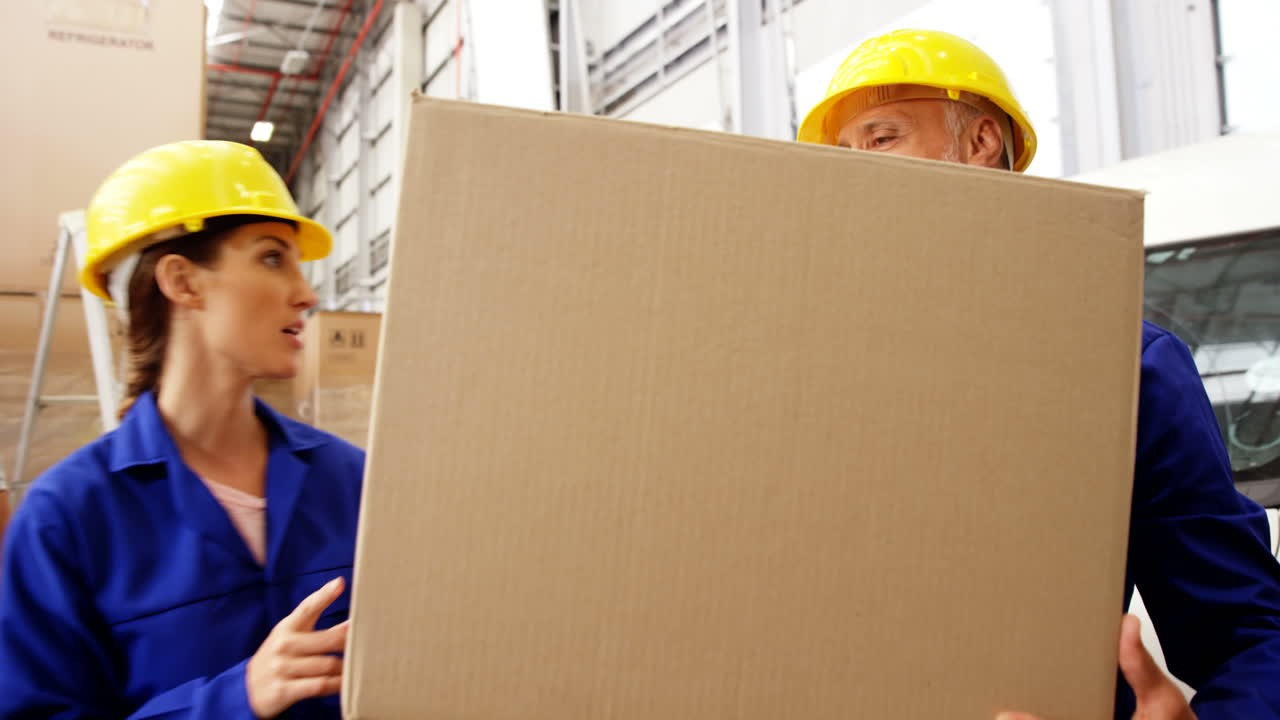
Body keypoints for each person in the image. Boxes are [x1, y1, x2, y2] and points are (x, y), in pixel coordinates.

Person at [797, 29, 1280, 720]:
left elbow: (1247, 634)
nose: (857, 172)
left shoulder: (1122, 370)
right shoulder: (807, 365)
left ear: (981, 141)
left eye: (881, 138)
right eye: (842, 155)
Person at [0, 141, 364, 718]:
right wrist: (235, 698)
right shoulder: (65, 519)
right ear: (183, 282)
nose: (307, 292)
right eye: (273, 258)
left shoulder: (353, 481)